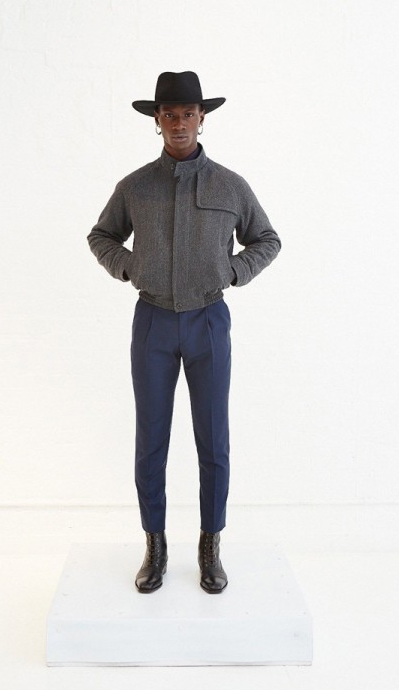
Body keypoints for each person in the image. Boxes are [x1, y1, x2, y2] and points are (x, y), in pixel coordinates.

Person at [86, 71, 281, 594]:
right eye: (169, 115)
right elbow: (101, 235)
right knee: (151, 440)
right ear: (156, 120)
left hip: (208, 322)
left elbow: (267, 239)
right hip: (152, 321)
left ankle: (210, 544)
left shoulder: (230, 186)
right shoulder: (135, 187)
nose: (178, 123)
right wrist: (129, 266)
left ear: (202, 118)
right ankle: (155, 544)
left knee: (213, 440)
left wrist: (233, 271)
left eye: (187, 114)